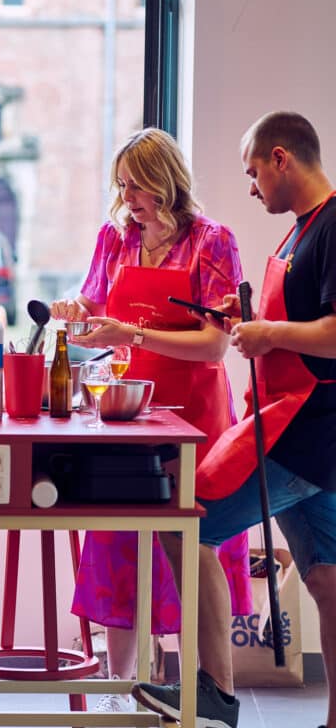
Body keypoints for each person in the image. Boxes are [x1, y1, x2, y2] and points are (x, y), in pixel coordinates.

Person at [133, 112, 336, 728]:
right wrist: (245, 316)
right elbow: (300, 316)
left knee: (186, 520)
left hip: (302, 431)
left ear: (281, 158)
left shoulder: (333, 226)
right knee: (327, 583)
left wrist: (267, 333)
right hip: (302, 429)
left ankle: (213, 691)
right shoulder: (301, 231)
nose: (251, 187)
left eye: (253, 173)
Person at [50, 128, 251, 714]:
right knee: (118, 541)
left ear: (166, 182)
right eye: (122, 186)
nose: (128, 199)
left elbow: (215, 344)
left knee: (191, 546)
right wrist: (75, 311)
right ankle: (123, 689)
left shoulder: (212, 241)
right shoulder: (114, 239)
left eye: (137, 186)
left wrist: (133, 334)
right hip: (128, 409)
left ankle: (197, 689)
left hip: (197, 415)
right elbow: (94, 310)